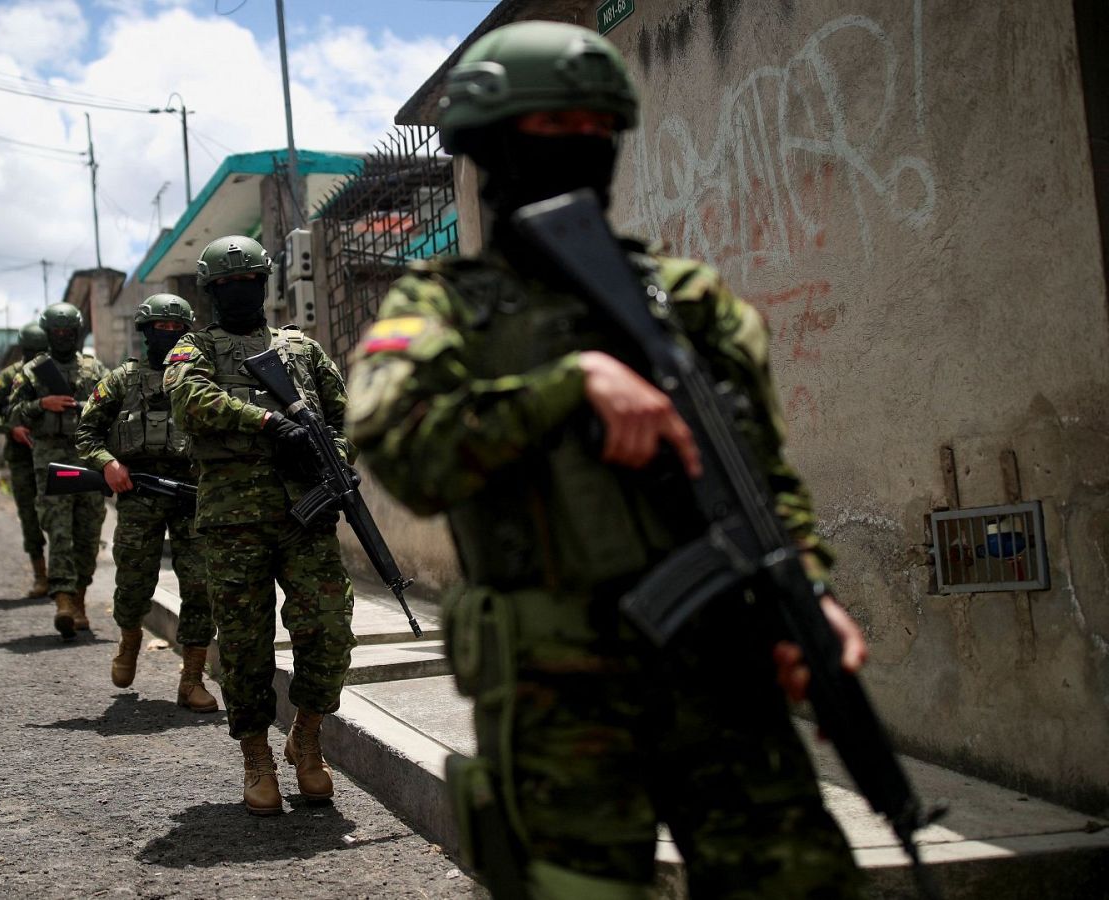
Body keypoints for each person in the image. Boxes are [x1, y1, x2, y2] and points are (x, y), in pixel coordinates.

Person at [345, 21, 865, 899]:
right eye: (547, 131)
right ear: (490, 149)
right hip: (557, 692)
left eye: (593, 128)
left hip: (722, 667)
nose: (575, 148)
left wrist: (807, 593)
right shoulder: (440, 307)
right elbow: (405, 449)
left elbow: (766, 480)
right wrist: (569, 387)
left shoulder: (690, 300)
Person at [164, 235, 357, 816]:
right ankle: (256, 757)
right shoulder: (189, 348)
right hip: (231, 522)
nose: (239, 292)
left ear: (266, 283)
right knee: (246, 647)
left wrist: (330, 457)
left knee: (329, 633)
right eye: (226, 285)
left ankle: (306, 737)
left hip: (307, 518)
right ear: (210, 292)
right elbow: (189, 400)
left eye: (248, 281)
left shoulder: (302, 348)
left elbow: (345, 418)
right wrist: (270, 424)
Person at [76, 294, 217, 712]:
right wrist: (108, 464)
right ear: (145, 332)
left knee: (200, 585)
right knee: (135, 580)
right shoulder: (121, 379)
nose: (170, 336)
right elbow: (87, 433)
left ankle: (191, 679)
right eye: (161, 329)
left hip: (192, 495)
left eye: (178, 329)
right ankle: (129, 640)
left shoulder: (203, 377)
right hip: (138, 495)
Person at [8, 302, 109, 639]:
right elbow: (12, 414)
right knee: (60, 530)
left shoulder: (95, 369)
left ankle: (79, 599)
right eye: (57, 333)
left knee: (88, 533)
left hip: (88, 457)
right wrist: (41, 404)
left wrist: (87, 407)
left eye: (69, 332)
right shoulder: (33, 370)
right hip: (52, 459)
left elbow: (115, 404)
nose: (64, 337)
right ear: (48, 334)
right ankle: (63, 600)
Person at [0, 322, 51, 598]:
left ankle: (63, 574)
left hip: (53, 453)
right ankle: (40, 575)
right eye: (32, 350)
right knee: (28, 514)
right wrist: (10, 429)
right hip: (23, 458)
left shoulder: (53, 371)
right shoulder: (10, 376)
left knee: (59, 514)